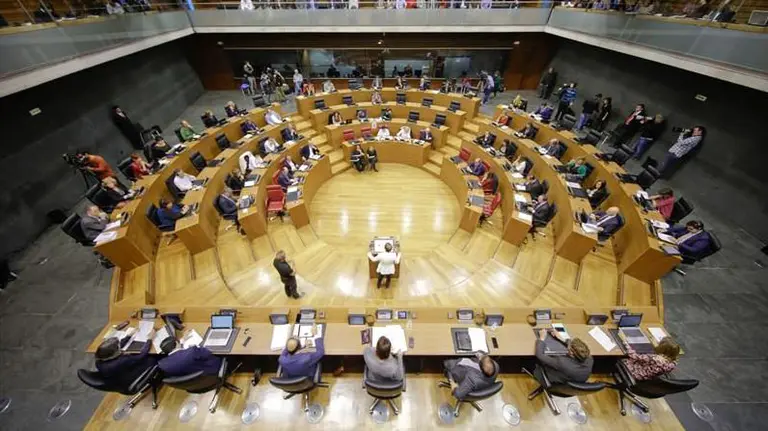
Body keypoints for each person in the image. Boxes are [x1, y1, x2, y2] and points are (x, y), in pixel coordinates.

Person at [158, 341, 222, 377]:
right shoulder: (192, 351)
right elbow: (208, 352)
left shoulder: (162, 364)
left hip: (192, 382)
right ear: (177, 343)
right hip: (211, 371)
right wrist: (198, 347)